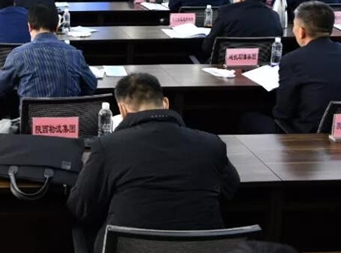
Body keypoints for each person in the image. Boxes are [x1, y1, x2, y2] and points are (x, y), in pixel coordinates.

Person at [68, 73, 239, 253]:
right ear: (165, 103)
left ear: (122, 109)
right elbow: (231, 189)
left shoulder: (108, 146)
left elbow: (81, 206)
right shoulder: (211, 144)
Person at [241, 1, 341, 134]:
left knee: (248, 118)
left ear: (301, 31)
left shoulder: (293, 60)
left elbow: (283, 113)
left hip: (310, 136)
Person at [0, 4, 97, 108]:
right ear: (56, 27)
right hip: (69, 120)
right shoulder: (74, 54)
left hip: (31, 121)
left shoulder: (18, 55)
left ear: (29, 27)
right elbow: (91, 85)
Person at [202, 0, 283, 54]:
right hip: (262, 63)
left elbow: (208, 46)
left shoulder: (226, 12)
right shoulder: (274, 15)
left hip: (225, 63)